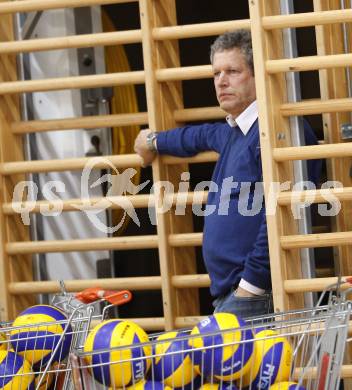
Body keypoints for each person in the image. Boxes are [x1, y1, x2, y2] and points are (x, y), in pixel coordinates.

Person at [134, 29, 321, 318]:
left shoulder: (279, 133)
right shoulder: (234, 132)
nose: (222, 81)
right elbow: (196, 137)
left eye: (233, 71)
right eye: (216, 73)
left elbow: (284, 216)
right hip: (234, 296)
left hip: (256, 298)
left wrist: (252, 285)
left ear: (258, 74)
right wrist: (152, 141)